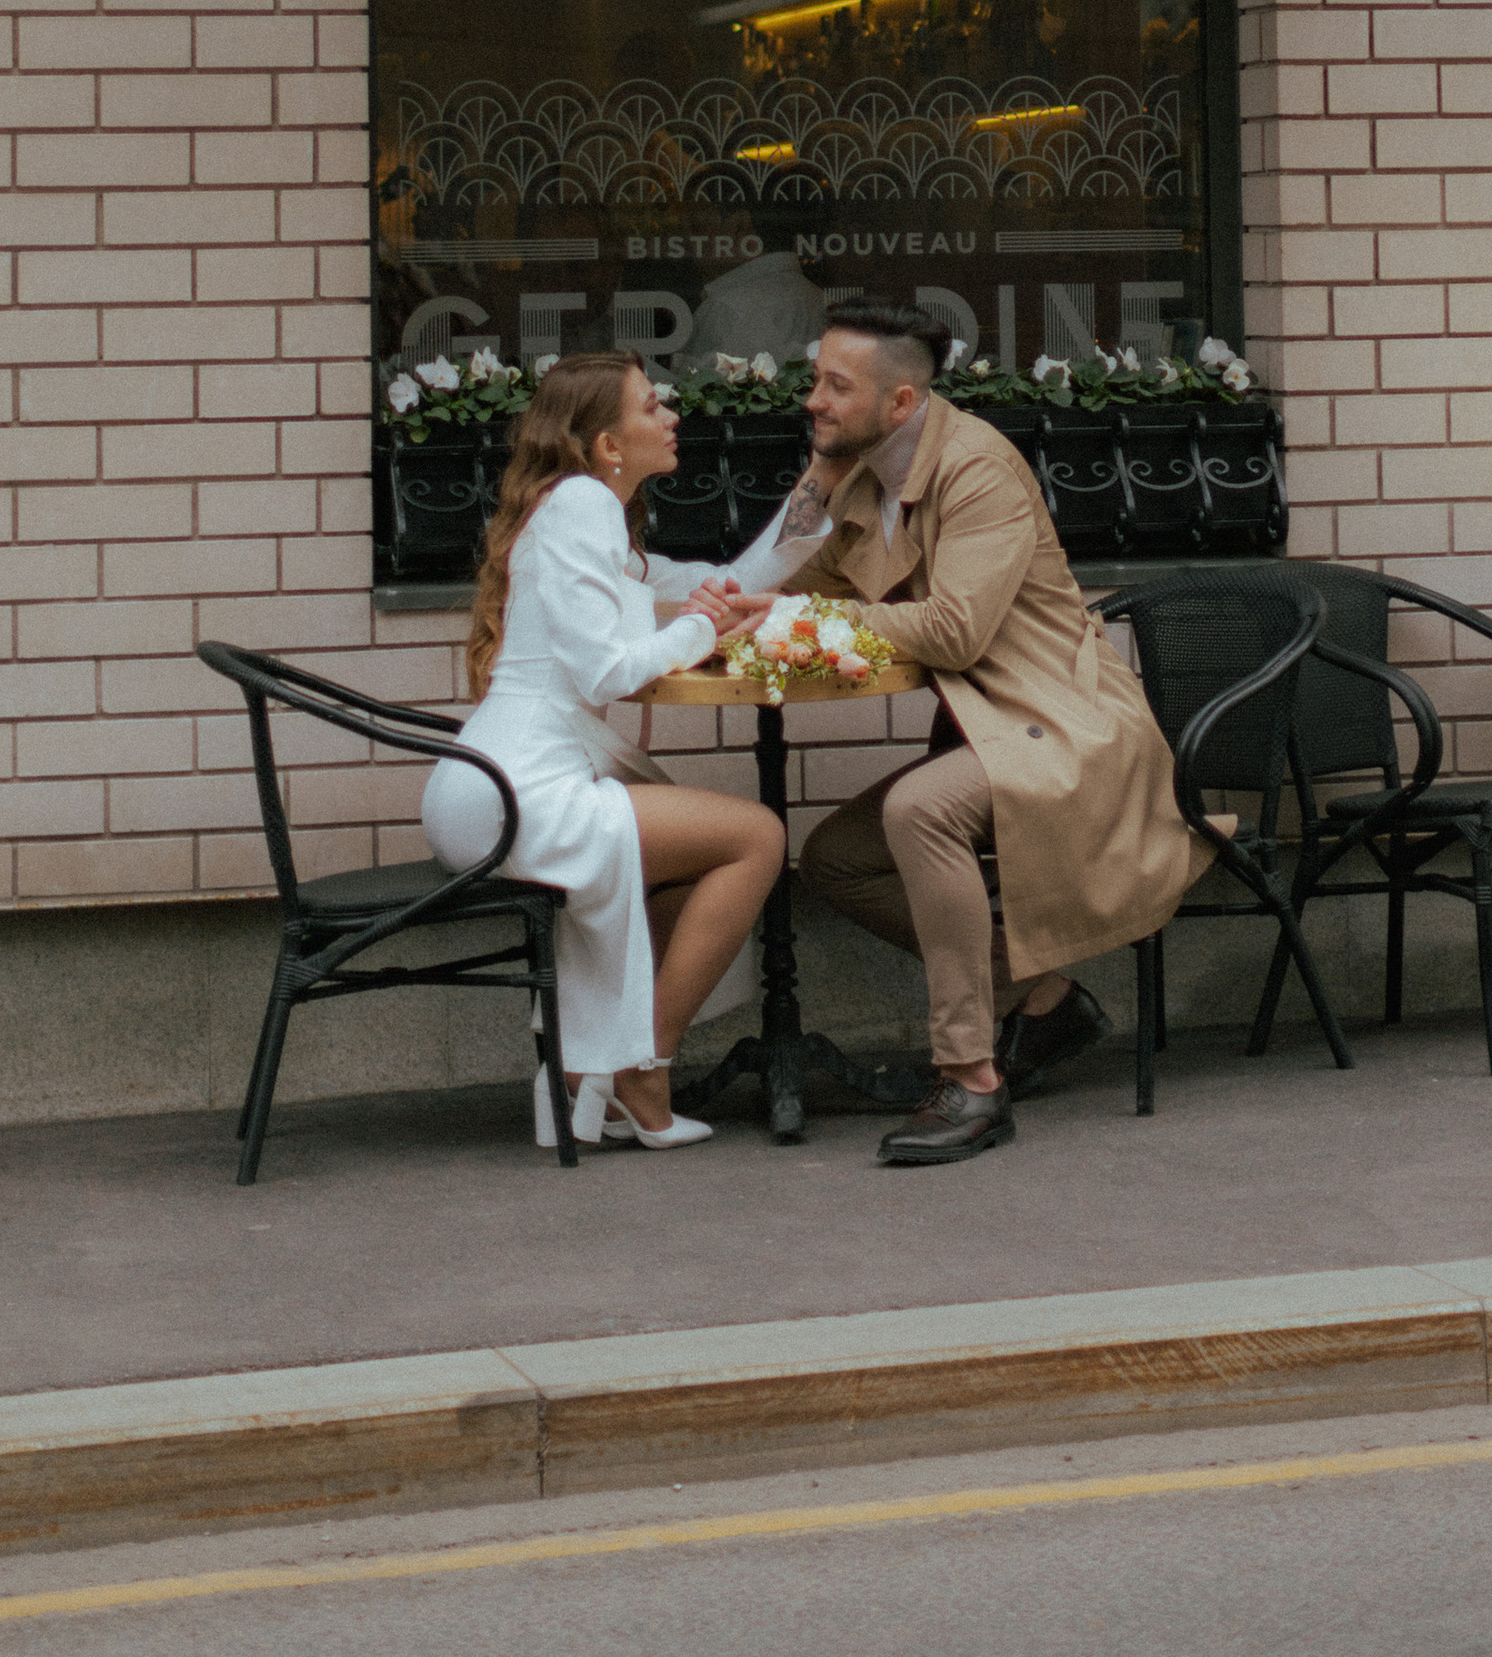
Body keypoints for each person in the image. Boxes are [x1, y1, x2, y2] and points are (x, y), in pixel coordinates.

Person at [775, 295, 1217, 1166]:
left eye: (834, 385)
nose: (813, 400)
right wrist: (809, 498)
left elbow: (953, 631)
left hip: (1065, 722)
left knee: (919, 813)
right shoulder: (862, 469)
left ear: (901, 402)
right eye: (813, 380)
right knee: (836, 858)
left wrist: (804, 625)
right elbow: (797, 579)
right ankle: (1041, 994)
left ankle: (972, 1079)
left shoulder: (978, 468)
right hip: (988, 727)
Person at [422, 352, 784, 1151]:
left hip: (487, 788)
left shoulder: (579, 511)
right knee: (757, 837)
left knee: (697, 852)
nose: (672, 416)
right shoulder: (583, 503)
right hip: (518, 795)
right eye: (652, 405)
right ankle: (640, 1065)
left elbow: (712, 577)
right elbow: (607, 670)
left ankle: (605, 1069)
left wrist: (808, 512)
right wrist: (700, 630)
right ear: (608, 445)